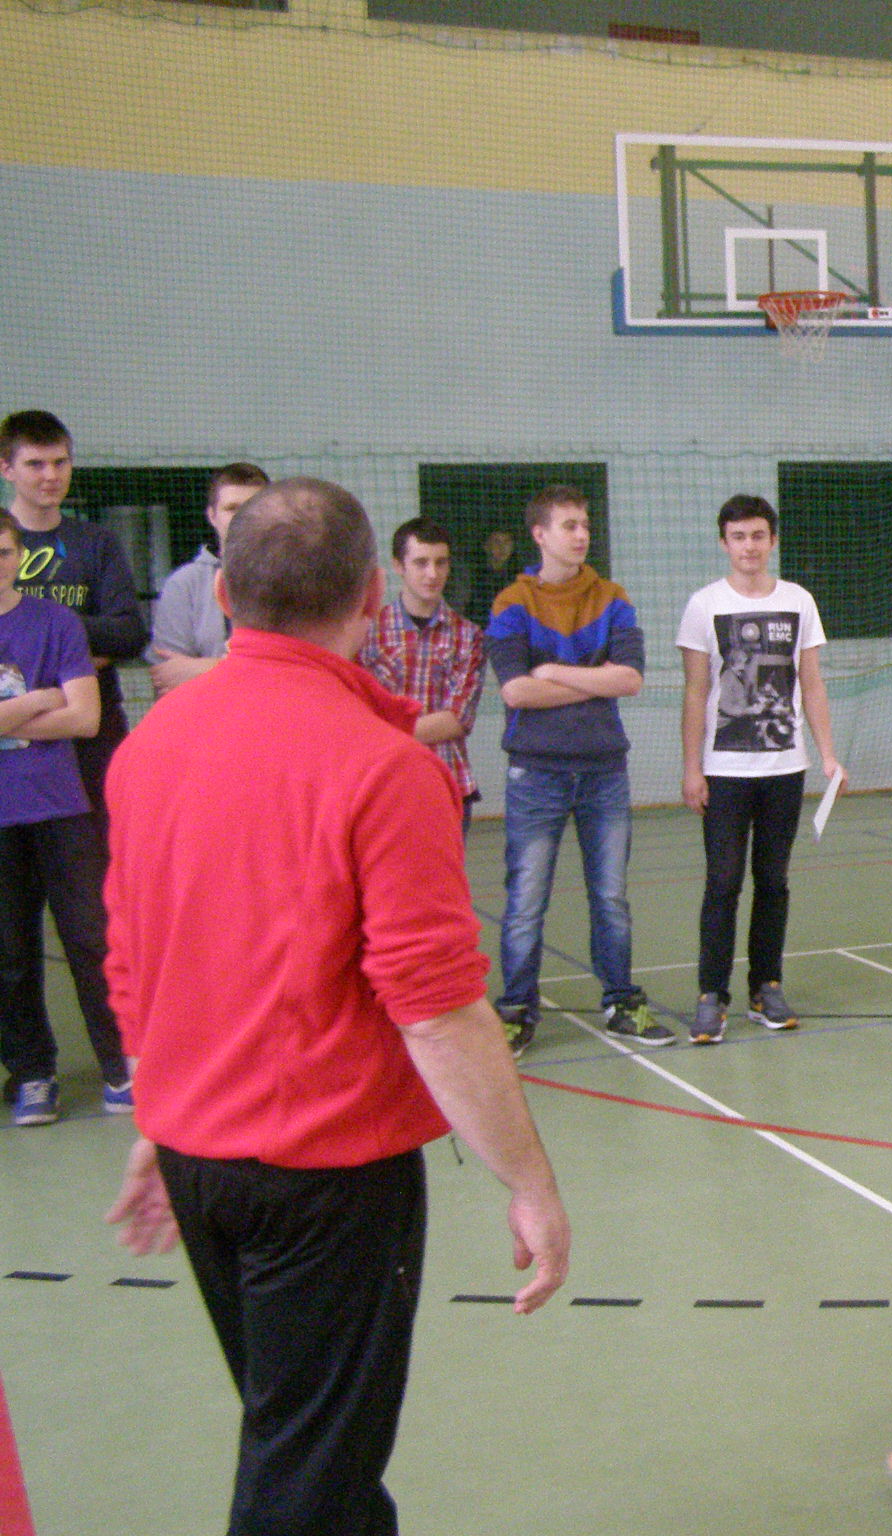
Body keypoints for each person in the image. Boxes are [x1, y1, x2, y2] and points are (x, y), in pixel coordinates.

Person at [100, 477, 570, 1536]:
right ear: (369, 596)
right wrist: (529, 1179)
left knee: (314, 1451)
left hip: (200, 1163)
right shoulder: (385, 769)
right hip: (328, 1183)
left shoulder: (148, 749)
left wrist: (159, 1120)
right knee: (307, 1474)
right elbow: (436, 1011)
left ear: (226, 597)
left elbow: (131, 959)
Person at [486, 484, 672, 1056]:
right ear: (540, 535)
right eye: (569, 525)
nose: (582, 534)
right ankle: (516, 1010)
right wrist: (593, 681)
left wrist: (553, 672)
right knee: (526, 900)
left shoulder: (613, 598)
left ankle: (622, 1002)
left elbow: (630, 679)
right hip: (536, 774)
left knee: (610, 896)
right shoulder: (511, 603)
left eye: (585, 525)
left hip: (603, 772)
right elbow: (516, 692)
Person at [676, 494, 842, 1043]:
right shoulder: (704, 605)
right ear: (724, 543)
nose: (749, 546)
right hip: (724, 771)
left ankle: (766, 986)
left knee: (773, 881)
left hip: (784, 768)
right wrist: (692, 768)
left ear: (772, 541)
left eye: (757, 536)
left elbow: (811, 684)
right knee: (723, 882)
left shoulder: (799, 601)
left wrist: (827, 753)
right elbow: (695, 691)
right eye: (738, 537)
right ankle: (711, 994)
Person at [0, 511, 130, 1125]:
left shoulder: (56, 622)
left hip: (60, 805)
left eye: (4, 552)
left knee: (91, 937)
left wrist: (39, 709)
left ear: (18, 557)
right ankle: (33, 1074)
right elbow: (62, 705)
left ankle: (120, 1066)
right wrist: (40, 697)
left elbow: (85, 717)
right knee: (8, 949)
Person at [0, 410, 146, 823]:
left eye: (60, 462)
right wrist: (69, 656)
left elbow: (129, 633)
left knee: (98, 843)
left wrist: (56, 643)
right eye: (35, 464)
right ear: (7, 469)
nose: (51, 475)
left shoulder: (97, 542)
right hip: (14, 736)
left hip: (91, 724)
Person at [360, 517, 487, 834]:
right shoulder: (366, 631)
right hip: (382, 785)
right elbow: (355, 711)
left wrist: (381, 733)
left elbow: (457, 719)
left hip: (448, 785)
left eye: (441, 562)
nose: (433, 574)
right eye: (421, 563)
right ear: (398, 566)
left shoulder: (468, 635)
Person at [148, 461, 269, 694]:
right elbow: (168, 679)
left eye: (254, 507)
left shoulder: (294, 577)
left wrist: (207, 667)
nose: (243, 517)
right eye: (232, 508)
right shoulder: (184, 584)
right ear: (212, 515)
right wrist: (256, 668)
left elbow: (300, 668)